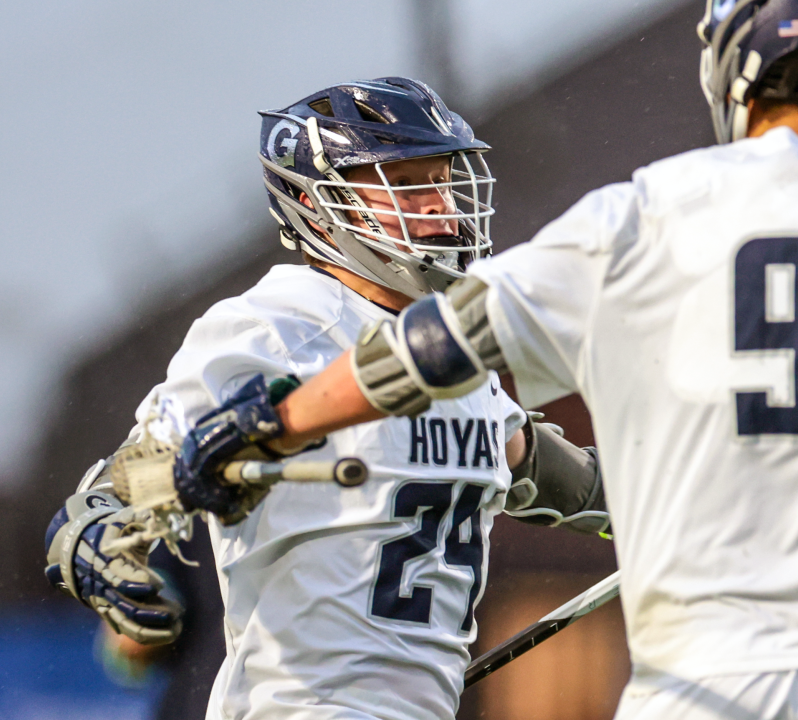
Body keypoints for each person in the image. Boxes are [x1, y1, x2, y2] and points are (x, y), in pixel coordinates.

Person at [165, 1, 798, 718]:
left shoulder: (640, 214)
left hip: (702, 676)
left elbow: (432, 347)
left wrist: (278, 419)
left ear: (731, 63)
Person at [43, 78, 608, 720]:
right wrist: (106, 522)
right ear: (319, 206)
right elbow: (152, 464)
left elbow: (564, 479)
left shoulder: (453, 352)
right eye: (408, 183)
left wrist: (695, 502)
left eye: (443, 181)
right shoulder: (281, 323)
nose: (441, 207)